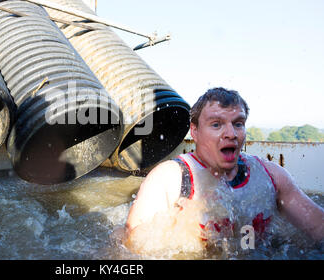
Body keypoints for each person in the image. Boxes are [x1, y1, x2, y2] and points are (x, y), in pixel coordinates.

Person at [125, 87, 324, 255]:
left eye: (238, 123)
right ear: (194, 131)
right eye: (216, 124)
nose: (231, 134)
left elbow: (318, 227)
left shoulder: (272, 176)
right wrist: (181, 231)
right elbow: (131, 247)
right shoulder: (169, 179)